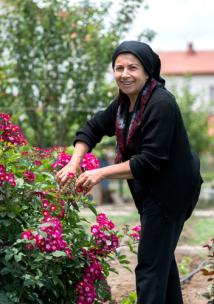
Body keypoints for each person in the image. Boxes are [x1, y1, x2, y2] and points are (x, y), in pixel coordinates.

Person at [56, 41, 203, 304]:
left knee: (149, 268)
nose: (125, 74)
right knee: (161, 263)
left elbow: (149, 161)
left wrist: (100, 173)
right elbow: (92, 128)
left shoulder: (161, 104)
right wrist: (73, 162)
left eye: (132, 67)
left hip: (172, 193)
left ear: (147, 71)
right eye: (119, 67)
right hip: (151, 191)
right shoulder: (124, 105)